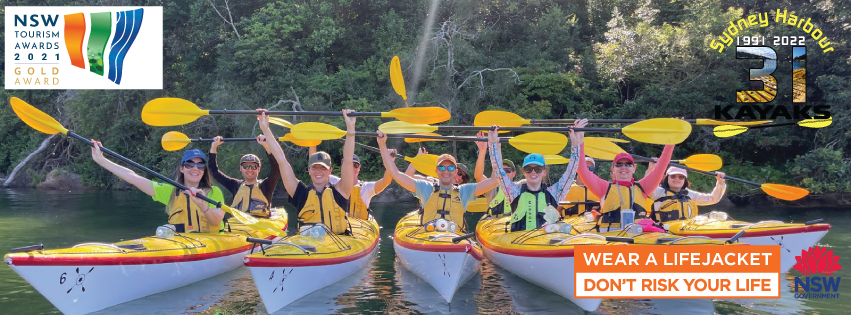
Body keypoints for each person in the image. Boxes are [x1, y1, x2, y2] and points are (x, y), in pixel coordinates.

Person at [376, 132, 499, 230]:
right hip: (428, 236)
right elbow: (395, 174)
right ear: (436, 171)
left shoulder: (465, 190)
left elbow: (495, 179)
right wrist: (382, 144)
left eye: (450, 168)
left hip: (454, 237)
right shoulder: (425, 186)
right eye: (441, 168)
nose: (446, 171)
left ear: (455, 171)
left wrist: (493, 146)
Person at [260, 111, 356, 235]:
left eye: (323, 168)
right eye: (314, 167)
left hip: (339, 242)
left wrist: (350, 128)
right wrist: (265, 129)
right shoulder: (300, 193)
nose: (318, 171)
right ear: (309, 170)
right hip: (308, 243)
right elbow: (282, 161)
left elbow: (348, 160)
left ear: (330, 170)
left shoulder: (341, 191)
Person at [90, 144, 225, 233]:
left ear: (204, 170)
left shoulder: (213, 192)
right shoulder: (170, 191)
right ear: (182, 168)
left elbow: (216, 221)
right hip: (182, 243)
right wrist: (101, 160)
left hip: (211, 242)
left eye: (200, 165)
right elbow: (133, 177)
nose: (195, 168)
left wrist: (203, 205)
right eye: (190, 164)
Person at [487, 119, 586, 232]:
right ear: (524, 172)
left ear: (544, 171)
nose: (533, 172)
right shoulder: (514, 193)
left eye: (538, 169)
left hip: (544, 241)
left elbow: (571, 172)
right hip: (519, 241)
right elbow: (498, 170)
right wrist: (492, 144)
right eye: (529, 169)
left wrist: (576, 144)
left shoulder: (554, 193)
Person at [576, 130, 675, 232]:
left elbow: (661, 167)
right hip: (611, 236)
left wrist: (670, 143)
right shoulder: (604, 188)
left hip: (638, 235)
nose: (624, 167)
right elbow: (582, 170)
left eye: (628, 164)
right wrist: (579, 142)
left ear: (634, 168)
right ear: (613, 169)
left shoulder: (643, 187)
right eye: (619, 164)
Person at [209, 134, 280, 218]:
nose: (250, 170)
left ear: (259, 169)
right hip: (239, 224)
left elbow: (276, 169)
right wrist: (214, 147)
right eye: (246, 166)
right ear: (240, 168)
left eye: (253, 167)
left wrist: (266, 146)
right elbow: (214, 171)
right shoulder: (235, 185)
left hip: (259, 224)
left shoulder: (266, 186)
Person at [647, 166, 727, 222]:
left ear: (684, 180)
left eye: (681, 177)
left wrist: (720, 183)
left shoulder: (689, 194)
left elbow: (712, 199)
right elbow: (646, 187)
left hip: (686, 230)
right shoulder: (659, 192)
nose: (677, 179)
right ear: (667, 178)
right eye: (673, 176)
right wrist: (651, 169)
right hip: (663, 231)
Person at [474, 130, 516, 217]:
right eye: (501, 171)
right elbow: (478, 176)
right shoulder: (492, 187)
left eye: (507, 171)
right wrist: (482, 150)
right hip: (494, 223)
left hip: (513, 223)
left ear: (514, 173)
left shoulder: (519, 187)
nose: (503, 174)